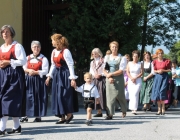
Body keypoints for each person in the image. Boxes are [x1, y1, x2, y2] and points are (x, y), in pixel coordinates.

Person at [45, 33, 78, 124]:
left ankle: (69, 114)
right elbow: (53, 65)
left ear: (57, 41)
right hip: (57, 74)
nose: (52, 42)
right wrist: (49, 76)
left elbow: (70, 65)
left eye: (53, 40)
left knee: (64, 94)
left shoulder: (66, 51)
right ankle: (61, 116)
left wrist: (72, 79)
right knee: (57, 95)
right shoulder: (54, 51)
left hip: (64, 74)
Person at [0, 25, 27, 135]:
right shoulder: (1, 47)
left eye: (7, 32)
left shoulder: (17, 46)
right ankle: (16, 126)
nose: (5, 34)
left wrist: (9, 62)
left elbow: (23, 61)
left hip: (14, 75)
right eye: (3, 32)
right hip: (3, 75)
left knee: (6, 100)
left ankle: (1, 129)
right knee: (7, 100)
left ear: (11, 33)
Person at [20, 41, 49, 123]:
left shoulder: (44, 59)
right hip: (29, 79)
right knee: (27, 97)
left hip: (39, 80)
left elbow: (45, 71)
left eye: (38, 47)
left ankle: (38, 116)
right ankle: (25, 115)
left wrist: (36, 72)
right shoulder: (27, 58)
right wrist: (29, 70)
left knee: (39, 97)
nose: (36, 48)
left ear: (40, 48)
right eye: (34, 47)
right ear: (31, 48)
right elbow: (24, 68)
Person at [103, 41, 127, 120]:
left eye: (116, 47)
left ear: (118, 48)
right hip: (109, 78)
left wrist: (111, 74)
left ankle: (123, 110)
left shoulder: (122, 58)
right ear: (110, 48)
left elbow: (121, 70)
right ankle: (110, 113)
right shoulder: (107, 57)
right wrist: (108, 76)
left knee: (120, 95)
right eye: (113, 47)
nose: (114, 48)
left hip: (118, 78)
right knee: (110, 96)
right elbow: (104, 69)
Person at [151, 49, 171, 115]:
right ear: (157, 54)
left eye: (161, 53)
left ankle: (163, 108)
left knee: (162, 91)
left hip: (164, 77)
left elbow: (169, 70)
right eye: (159, 53)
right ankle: (159, 109)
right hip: (157, 77)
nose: (160, 54)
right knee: (157, 92)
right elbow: (154, 70)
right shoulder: (155, 61)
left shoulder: (166, 61)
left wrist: (163, 70)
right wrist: (158, 71)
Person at [89, 48, 106, 117]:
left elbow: (105, 70)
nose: (94, 55)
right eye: (93, 53)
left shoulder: (103, 61)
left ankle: (107, 110)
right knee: (95, 95)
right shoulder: (92, 62)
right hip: (94, 79)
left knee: (102, 94)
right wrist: (93, 76)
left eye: (95, 53)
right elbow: (91, 71)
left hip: (102, 79)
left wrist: (101, 74)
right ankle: (99, 111)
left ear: (99, 53)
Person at [126, 50, 143, 115]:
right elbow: (127, 72)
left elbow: (141, 72)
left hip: (137, 80)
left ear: (138, 57)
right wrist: (131, 78)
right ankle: (131, 108)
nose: (135, 58)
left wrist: (135, 78)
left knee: (135, 94)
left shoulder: (140, 64)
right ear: (132, 56)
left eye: (136, 56)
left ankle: (135, 109)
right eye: (134, 56)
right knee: (131, 94)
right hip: (131, 80)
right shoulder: (129, 63)